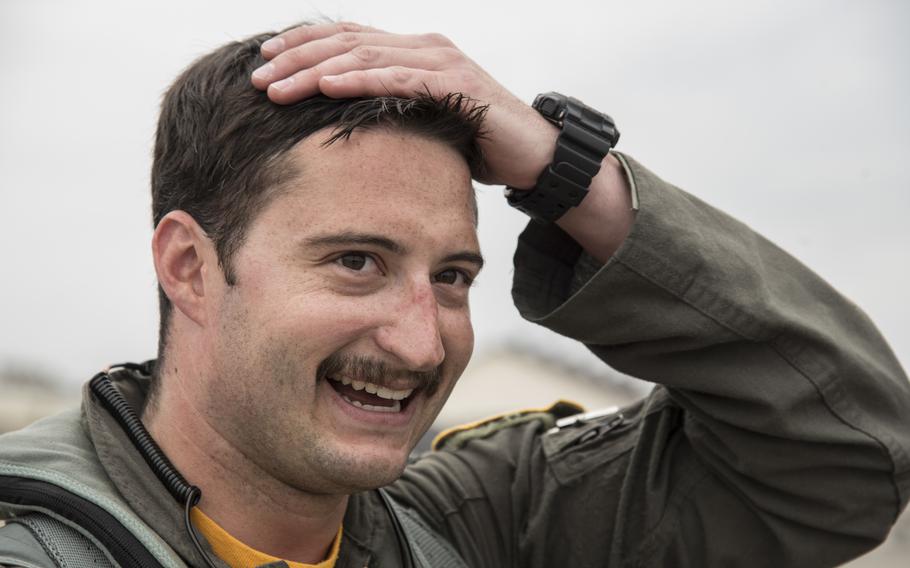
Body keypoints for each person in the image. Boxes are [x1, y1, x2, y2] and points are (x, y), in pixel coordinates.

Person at [1, 20, 908, 568]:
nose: (422, 344)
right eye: (356, 261)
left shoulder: (473, 524)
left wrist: (570, 171)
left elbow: (847, 456)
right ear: (190, 267)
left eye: (451, 278)